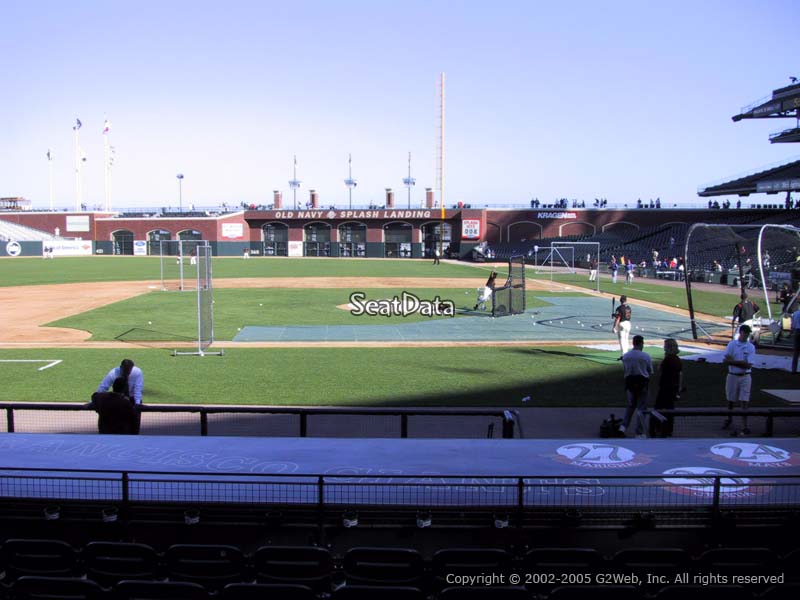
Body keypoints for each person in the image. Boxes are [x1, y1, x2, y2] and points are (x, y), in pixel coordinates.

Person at [722, 324, 755, 436]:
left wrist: (733, 362)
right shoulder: (732, 345)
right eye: (745, 333)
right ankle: (729, 419)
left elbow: (748, 365)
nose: (747, 335)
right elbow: (725, 360)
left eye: (748, 333)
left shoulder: (750, 347)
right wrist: (741, 363)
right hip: (732, 375)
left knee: (744, 400)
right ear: (741, 333)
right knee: (730, 399)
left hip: (745, 376)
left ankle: (744, 426)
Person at [618, 335, 653, 438]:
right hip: (642, 384)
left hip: (629, 384)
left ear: (633, 343)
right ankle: (639, 432)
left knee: (630, 406)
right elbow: (649, 371)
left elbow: (625, 370)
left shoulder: (626, 356)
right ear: (641, 343)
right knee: (641, 408)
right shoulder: (645, 356)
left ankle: (623, 428)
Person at [97, 359, 144, 434]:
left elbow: (137, 390)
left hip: (132, 400)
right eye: (125, 370)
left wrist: (137, 405)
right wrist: (96, 399)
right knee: (116, 423)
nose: (127, 372)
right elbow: (102, 388)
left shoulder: (137, 372)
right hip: (117, 399)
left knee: (134, 426)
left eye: (129, 370)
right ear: (121, 367)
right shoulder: (113, 373)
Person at [651, 338, 684, 437]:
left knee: (658, 409)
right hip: (673, 388)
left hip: (665, 388)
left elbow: (660, 369)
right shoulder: (677, 359)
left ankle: (658, 429)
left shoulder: (668, 359)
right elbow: (680, 375)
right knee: (669, 409)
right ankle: (668, 430)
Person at [792, 306, 800, 373]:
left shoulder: (795, 313)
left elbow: (793, 325)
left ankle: (793, 369)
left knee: (796, 352)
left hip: (797, 331)